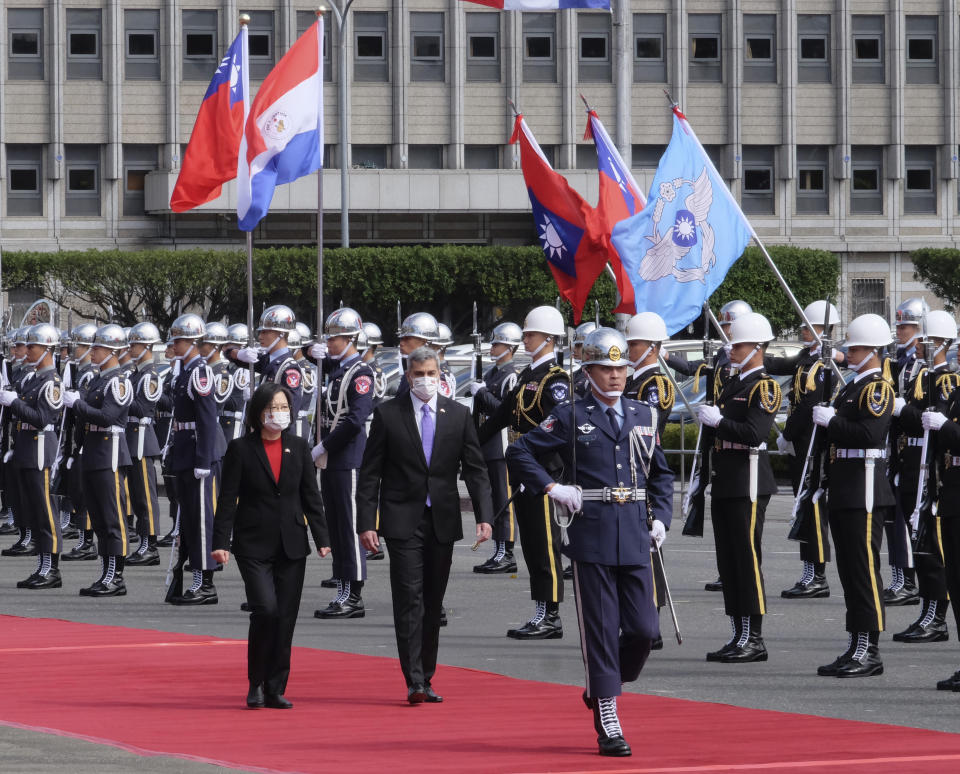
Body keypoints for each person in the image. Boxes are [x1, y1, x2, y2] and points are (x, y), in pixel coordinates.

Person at [506, 327, 674, 757]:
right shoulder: (569, 415)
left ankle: (606, 683)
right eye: (606, 368)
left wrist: (662, 519)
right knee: (599, 630)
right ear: (590, 370)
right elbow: (520, 452)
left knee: (643, 629)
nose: (616, 376)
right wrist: (552, 488)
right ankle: (607, 711)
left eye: (620, 368)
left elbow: (661, 473)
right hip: (593, 532)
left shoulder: (643, 415)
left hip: (636, 531)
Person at [356, 346, 493, 703]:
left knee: (433, 601)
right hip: (402, 520)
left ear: (441, 374)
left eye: (431, 373)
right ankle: (414, 680)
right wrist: (366, 522)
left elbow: (476, 470)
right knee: (408, 598)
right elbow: (370, 475)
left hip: (442, 520)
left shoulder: (458, 415)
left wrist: (485, 517)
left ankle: (427, 675)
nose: (426, 380)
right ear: (408, 376)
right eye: (419, 374)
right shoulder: (388, 415)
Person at [212, 382, 330, 709]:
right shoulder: (241, 449)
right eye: (271, 408)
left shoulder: (299, 447)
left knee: (286, 617)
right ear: (258, 413)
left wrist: (322, 538)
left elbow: (311, 496)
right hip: (253, 543)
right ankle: (255, 682)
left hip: (291, 543)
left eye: (283, 408)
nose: (278, 414)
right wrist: (220, 541)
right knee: (265, 609)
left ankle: (275, 686)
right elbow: (227, 499)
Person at [478, 305, 570, 639]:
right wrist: (467, 446)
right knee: (531, 544)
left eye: (530, 334)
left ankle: (551, 615)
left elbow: (557, 427)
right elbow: (503, 416)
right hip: (522, 468)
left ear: (548, 338)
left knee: (546, 544)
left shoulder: (556, 380)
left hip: (544, 471)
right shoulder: (529, 375)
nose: (525, 338)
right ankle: (541, 610)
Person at [812, 313, 895, 678]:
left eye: (857, 347)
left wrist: (832, 421)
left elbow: (869, 435)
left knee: (863, 571)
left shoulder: (877, 388)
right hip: (845, 487)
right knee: (849, 571)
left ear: (873, 350)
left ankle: (869, 648)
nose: (851, 350)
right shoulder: (850, 387)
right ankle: (855, 642)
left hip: (863, 490)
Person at [697, 312, 781, 663]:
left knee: (746, 560)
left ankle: (754, 638)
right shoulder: (733, 384)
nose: (732, 349)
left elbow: (756, 434)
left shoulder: (764, 387)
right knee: (729, 562)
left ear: (757, 348)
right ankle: (738, 633)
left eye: (740, 344)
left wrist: (721, 422)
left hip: (748, 482)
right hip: (727, 479)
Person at [889, 310, 958, 642]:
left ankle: (936, 617)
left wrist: (906, 412)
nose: (918, 345)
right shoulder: (917, 374)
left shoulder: (945, 379)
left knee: (931, 546)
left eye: (925, 340)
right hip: (910, 462)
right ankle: (927, 611)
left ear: (939, 343)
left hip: (929, 469)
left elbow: (939, 425)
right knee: (919, 543)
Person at [309, 308, 375, 619]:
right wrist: (312, 355)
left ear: (349, 339)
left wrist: (324, 445)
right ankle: (342, 589)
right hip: (333, 459)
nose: (330, 343)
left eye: (334, 338)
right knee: (335, 524)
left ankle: (353, 594)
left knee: (349, 526)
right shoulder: (338, 371)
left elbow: (355, 419)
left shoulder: (360, 374)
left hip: (347, 457)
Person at [63, 324, 134, 597]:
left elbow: (106, 417)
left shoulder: (119, 381)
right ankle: (105, 572)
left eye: (98, 348)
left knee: (112, 517)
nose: (92, 352)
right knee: (99, 519)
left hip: (109, 453)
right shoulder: (97, 379)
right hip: (93, 451)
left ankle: (116, 576)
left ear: (113, 352)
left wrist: (77, 405)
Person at [779, 300, 839, 599]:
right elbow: (781, 365)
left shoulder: (826, 364)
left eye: (807, 326)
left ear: (821, 330)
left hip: (813, 445)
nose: (802, 330)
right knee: (804, 505)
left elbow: (809, 404)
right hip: (801, 443)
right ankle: (809, 571)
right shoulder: (807, 356)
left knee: (812, 507)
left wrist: (787, 433)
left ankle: (817, 575)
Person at [166, 314, 225, 605]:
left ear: (192, 342)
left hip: (198, 454)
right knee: (189, 519)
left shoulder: (199, 372)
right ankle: (196, 578)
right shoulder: (185, 371)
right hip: (186, 452)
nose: (174, 345)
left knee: (202, 521)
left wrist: (203, 459)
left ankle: (205, 582)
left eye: (178, 340)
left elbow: (206, 419)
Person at [0, 324, 64, 588]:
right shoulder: (34, 379)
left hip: (40, 450)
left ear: (47, 349)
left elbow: (41, 419)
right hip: (27, 448)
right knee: (33, 510)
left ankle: (51, 569)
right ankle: (41, 565)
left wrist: (14, 402)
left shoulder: (52, 382)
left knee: (46, 510)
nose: (26, 351)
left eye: (32, 347)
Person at [884, 297, 929, 605]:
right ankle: (902, 578)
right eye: (899, 325)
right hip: (900, 451)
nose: (900, 330)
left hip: (920, 452)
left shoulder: (927, 369)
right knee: (895, 517)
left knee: (912, 519)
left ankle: (910, 582)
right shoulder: (903, 362)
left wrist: (903, 410)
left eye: (907, 326)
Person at [469, 321, 521, 574]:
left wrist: (481, 394)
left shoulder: (511, 376)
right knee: (491, 498)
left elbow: (505, 411)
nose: (493, 347)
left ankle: (506, 552)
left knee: (503, 500)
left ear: (509, 348)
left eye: (497, 343)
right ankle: (498, 550)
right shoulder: (491, 374)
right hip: (486, 444)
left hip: (501, 446)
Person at [124, 321, 164, 567]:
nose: (131, 348)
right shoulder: (136, 374)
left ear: (147, 346)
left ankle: (150, 545)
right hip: (131, 440)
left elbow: (144, 409)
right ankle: (143, 542)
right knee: (137, 497)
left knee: (146, 498)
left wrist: (123, 396)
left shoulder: (150, 376)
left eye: (135, 344)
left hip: (141, 440)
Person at [231, 306, 305, 437]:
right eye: (260, 332)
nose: (260, 336)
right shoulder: (266, 360)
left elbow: (289, 412)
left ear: (280, 334)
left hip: (277, 437)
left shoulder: (289, 369)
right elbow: (227, 353)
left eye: (265, 332)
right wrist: (239, 354)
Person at [59, 323, 100, 560]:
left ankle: (87, 542)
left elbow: (86, 408)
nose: (74, 351)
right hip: (77, 438)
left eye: (80, 346)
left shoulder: (90, 374)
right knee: (77, 490)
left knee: (85, 494)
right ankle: (83, 537)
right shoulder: (80, 371)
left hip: (87, 438)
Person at [394, 312, 440, 401]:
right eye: (401, 339)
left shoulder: (439, 377)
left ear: (424, 341)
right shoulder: (408, 371)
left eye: (407, 339)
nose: (401, 343)